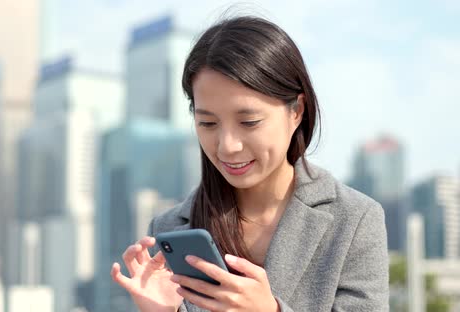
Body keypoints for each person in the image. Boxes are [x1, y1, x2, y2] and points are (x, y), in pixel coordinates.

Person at [111, 15, 389, 312]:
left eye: (249, 121)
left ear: (296, 111)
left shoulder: (355, 220)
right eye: (207, 123)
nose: (228, 146)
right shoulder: (171, 229)